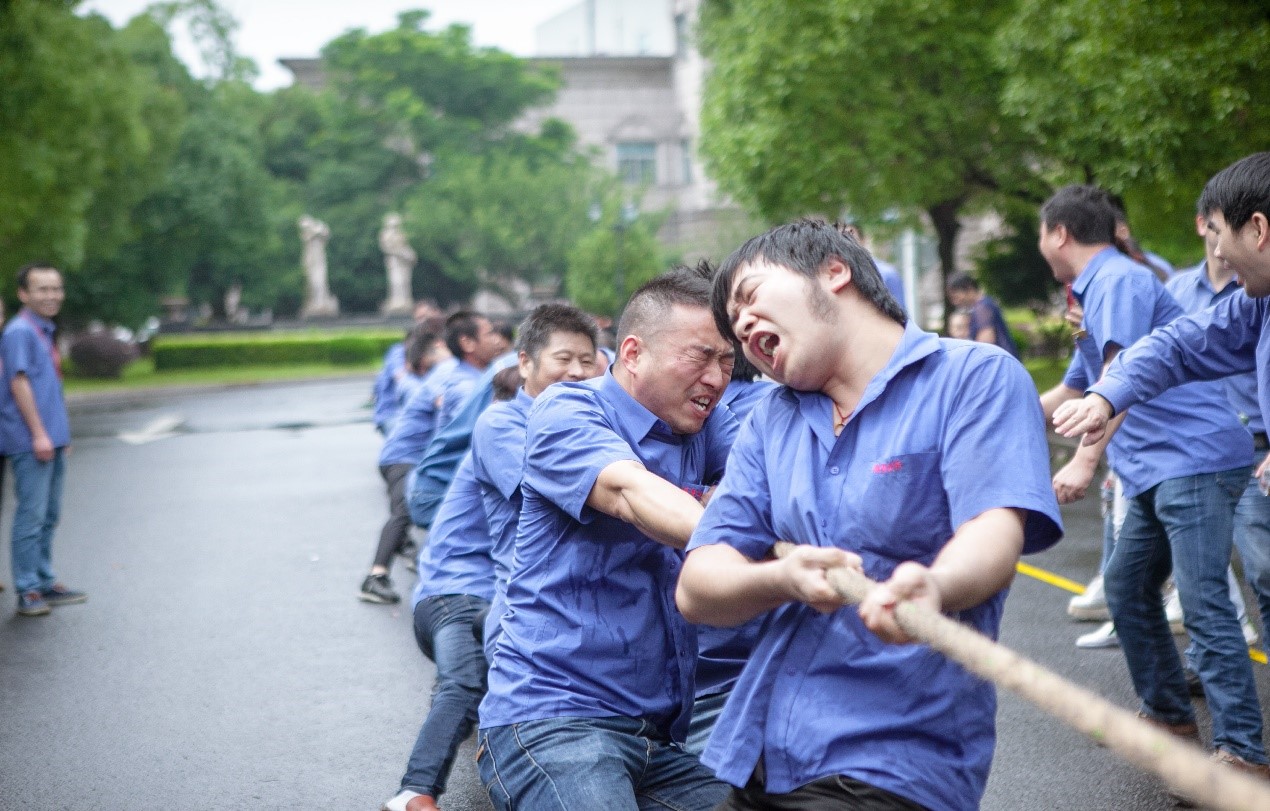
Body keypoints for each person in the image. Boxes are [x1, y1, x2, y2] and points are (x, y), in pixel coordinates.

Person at [675, 218, 1061, 810]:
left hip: (891, 762)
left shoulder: (973, 377)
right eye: (733, 324)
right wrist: (782, 578)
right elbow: (698, 585)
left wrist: (935, 585)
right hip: (757, 752)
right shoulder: (771, 420)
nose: (743, 326)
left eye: (750, 297)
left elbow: (993, 533)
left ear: (835, 271)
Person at [476, 266, 736, 811]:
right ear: (633, 353)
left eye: (728, 361)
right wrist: (759, 541)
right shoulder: (568, 408)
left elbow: (771, 486)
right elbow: (629, 492)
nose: (716, 378)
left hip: (658, 738)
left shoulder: (706, 423)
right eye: (700, 356)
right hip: (554, 721)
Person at [1038, 184, 1266, 777]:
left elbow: (1118, 370)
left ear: (1058, 233)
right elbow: (1093, 380)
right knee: (1127, 587)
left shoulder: (1118, 281)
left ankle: (1243, 750)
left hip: (1192, 458)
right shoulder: (1095, 290)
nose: (1216, 252)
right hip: (1149, 465)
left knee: (1203, 601)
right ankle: (1168, 718)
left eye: (1218, 234)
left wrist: (1085, 460)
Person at [379, 369, 526, 811]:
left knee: (477, 681)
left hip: (465, 597)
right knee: (464, 682)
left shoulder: (506, 439)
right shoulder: (502, 443)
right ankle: (414, 791)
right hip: (457, 597)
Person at [469, 303, 599, 657]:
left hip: (588, 618)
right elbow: (561, 494)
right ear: (525, 363)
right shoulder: (500, 424)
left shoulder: (597, 422)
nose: (577, 372)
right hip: (529, 622)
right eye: (564, 359)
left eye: (587, 361)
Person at [2, 264, 86, 616]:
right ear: (23, 294)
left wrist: (60, 434)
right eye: (42, 289)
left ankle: (44, 580)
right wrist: (39, 433)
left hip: (52, 438)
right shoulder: (19, 331)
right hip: (30, 439)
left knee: (49, 515)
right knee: (32, 515)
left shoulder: (43, 330)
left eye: (56, 288)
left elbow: (49, 387)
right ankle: (28, 590)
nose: (51, 295)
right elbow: (18, 383)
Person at [361, 327, 447, 604]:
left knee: (409, 514)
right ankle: (375, 577)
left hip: (406, 459)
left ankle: (408, 549)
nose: (445, 353)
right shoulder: (421, 385)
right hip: (402, 459)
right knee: (402, 512)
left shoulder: (427, 380)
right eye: (440, 349)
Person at [945, 272, 1020, 358]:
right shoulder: (983, 305)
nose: (955, 302)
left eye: (956, 297)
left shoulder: (982, 307)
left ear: (969, 288)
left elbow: (985, 342)